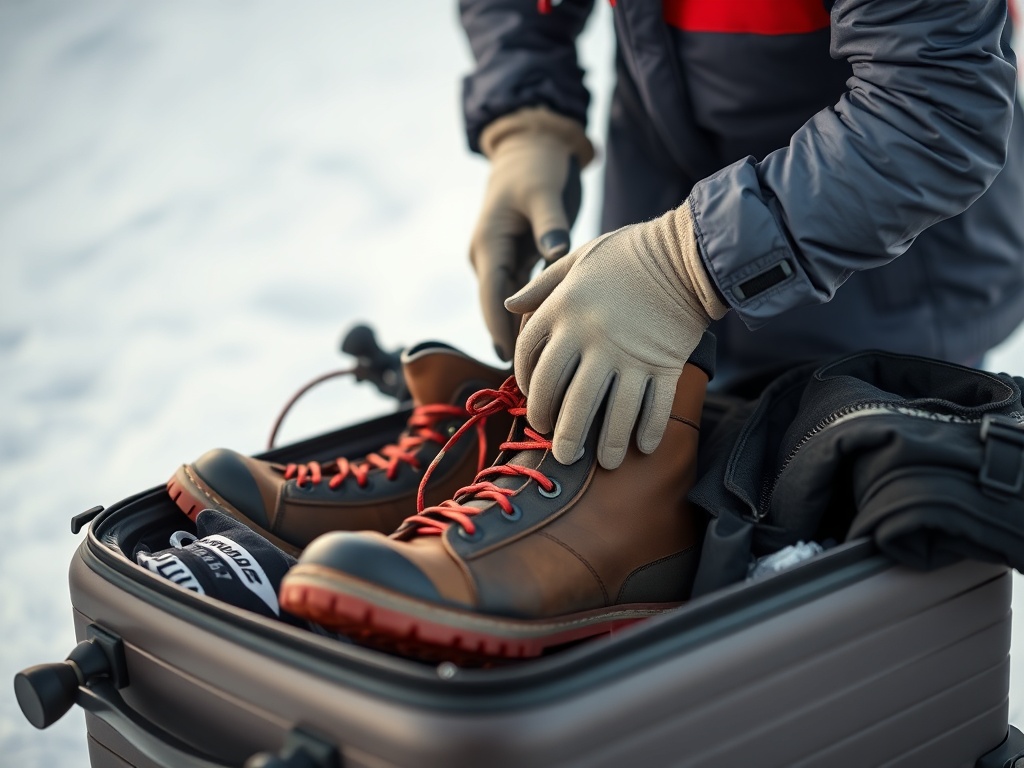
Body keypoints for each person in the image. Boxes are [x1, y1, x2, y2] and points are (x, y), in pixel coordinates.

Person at [462, 0, 1024, 470]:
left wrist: (684, 263)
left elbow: (934, 110)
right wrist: (526, 121)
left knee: (849, 495)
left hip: (886, 272)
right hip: (658, 203)